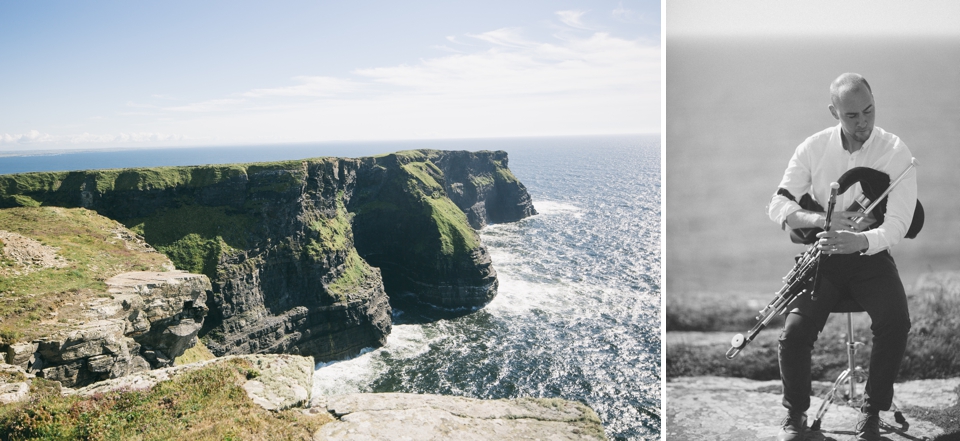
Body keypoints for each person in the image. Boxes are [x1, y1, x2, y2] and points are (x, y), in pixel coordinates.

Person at [766, 73, 917, 441]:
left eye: (869, 111)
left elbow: (898, 224)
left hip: (871, 254)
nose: (863, 122)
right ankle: (795, 415)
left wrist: (861, 241)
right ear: (834, 112)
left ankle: (872, 411)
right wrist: (823, 219)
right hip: (824, 255)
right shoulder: (812, 148)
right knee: (794, 334)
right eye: (852, 116)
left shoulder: (895, 151)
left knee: (896, 320)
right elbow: (777, 205)